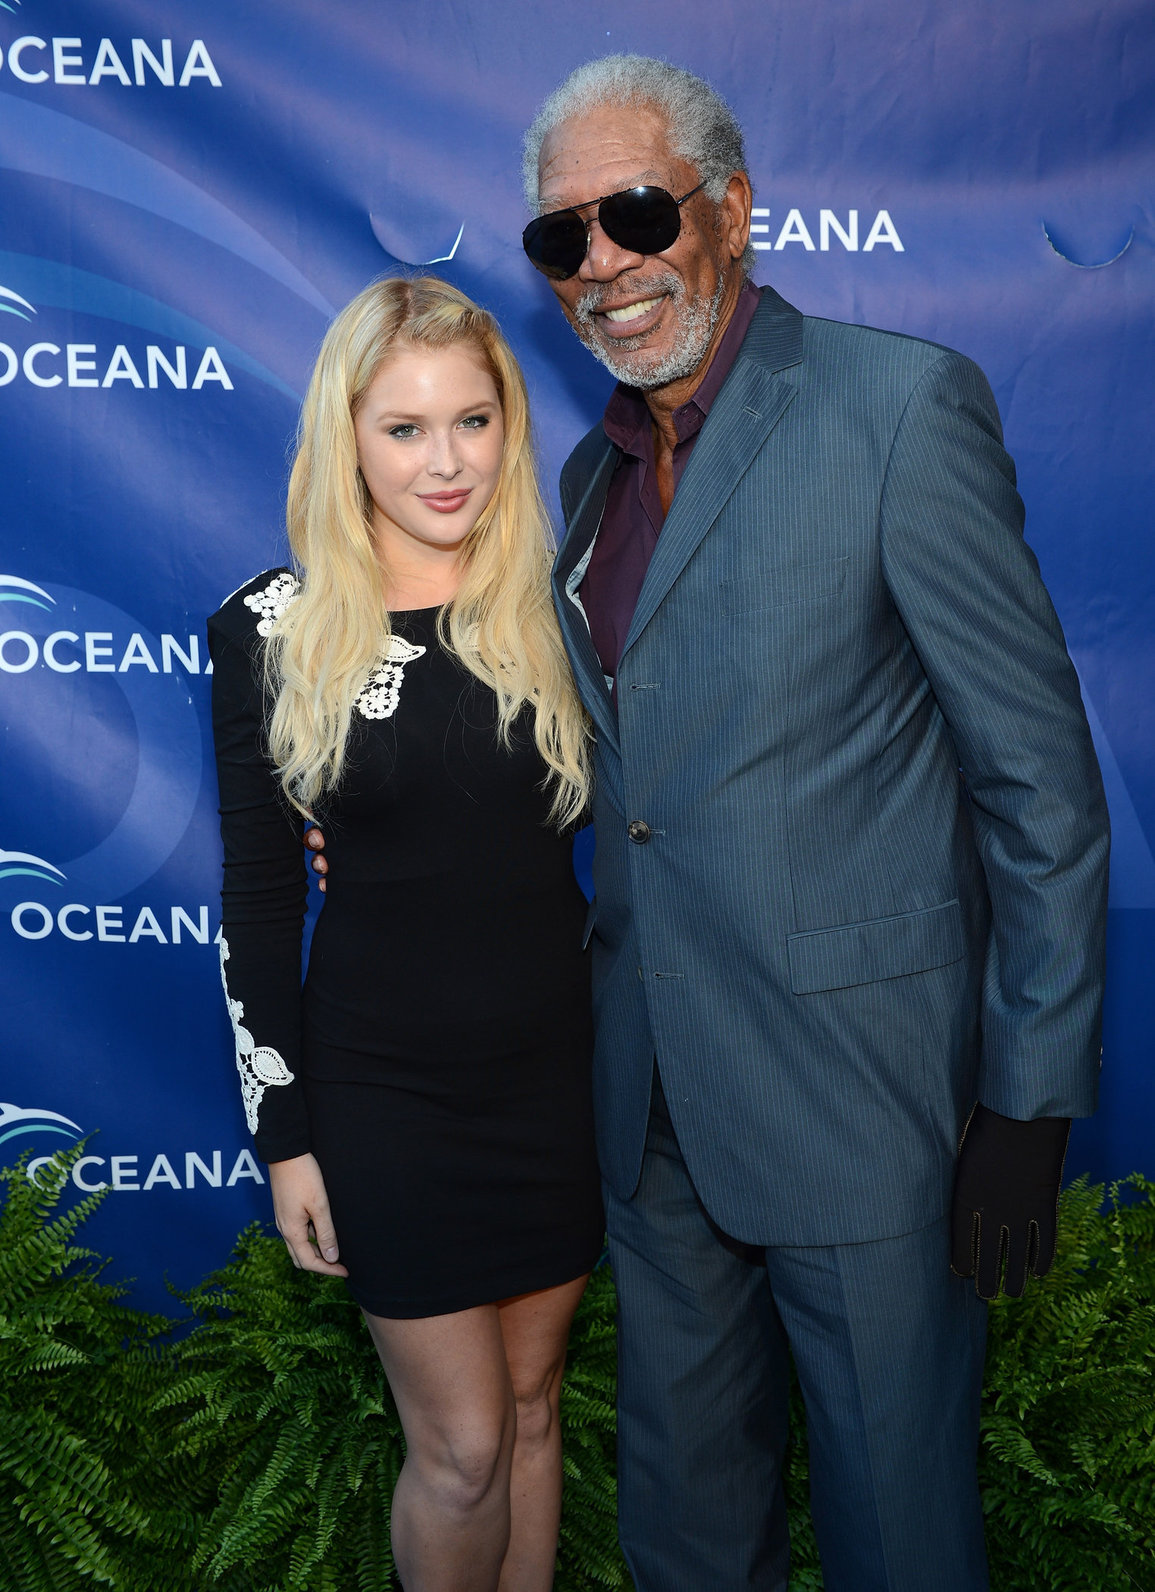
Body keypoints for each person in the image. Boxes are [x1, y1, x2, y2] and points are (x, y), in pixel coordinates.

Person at [520, 54, 1109, 1592]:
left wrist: (1028, 1103)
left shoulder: (898, 410)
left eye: (635, 212)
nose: (603, 264)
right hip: (653, 1123)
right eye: (561, 237)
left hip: (869, 1121)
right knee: (688, 1542)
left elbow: (1038, 784)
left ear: (730, 209)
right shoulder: (590, 476)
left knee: (900, 1543)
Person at [208, 275, 603, 1592]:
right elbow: (261, 899)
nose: (446, 461)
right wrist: (287, 1132)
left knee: (536, 1409)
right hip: (388, 1088)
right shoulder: (271, 631)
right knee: (465, 1447)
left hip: (558, 1076)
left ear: (510, 426)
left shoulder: (567, 607)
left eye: (473, 421)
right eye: (406, 427)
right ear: (347, 439)